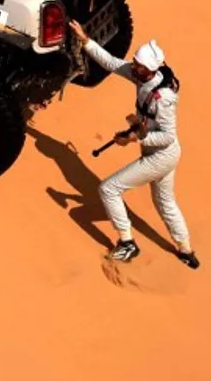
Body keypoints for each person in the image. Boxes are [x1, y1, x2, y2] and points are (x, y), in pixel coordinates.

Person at [68, 20, 200, 269]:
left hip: (161, 155)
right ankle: (186, 250)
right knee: (165, 202)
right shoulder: (142, 76)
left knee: (108, 189)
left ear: (148, 70)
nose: (133, 66)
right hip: (159, 152)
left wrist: (135, 138)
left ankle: (127, 242)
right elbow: (112, 63)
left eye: (137, 65)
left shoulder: (163, 98)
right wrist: (85, 41)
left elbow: (168, 136)